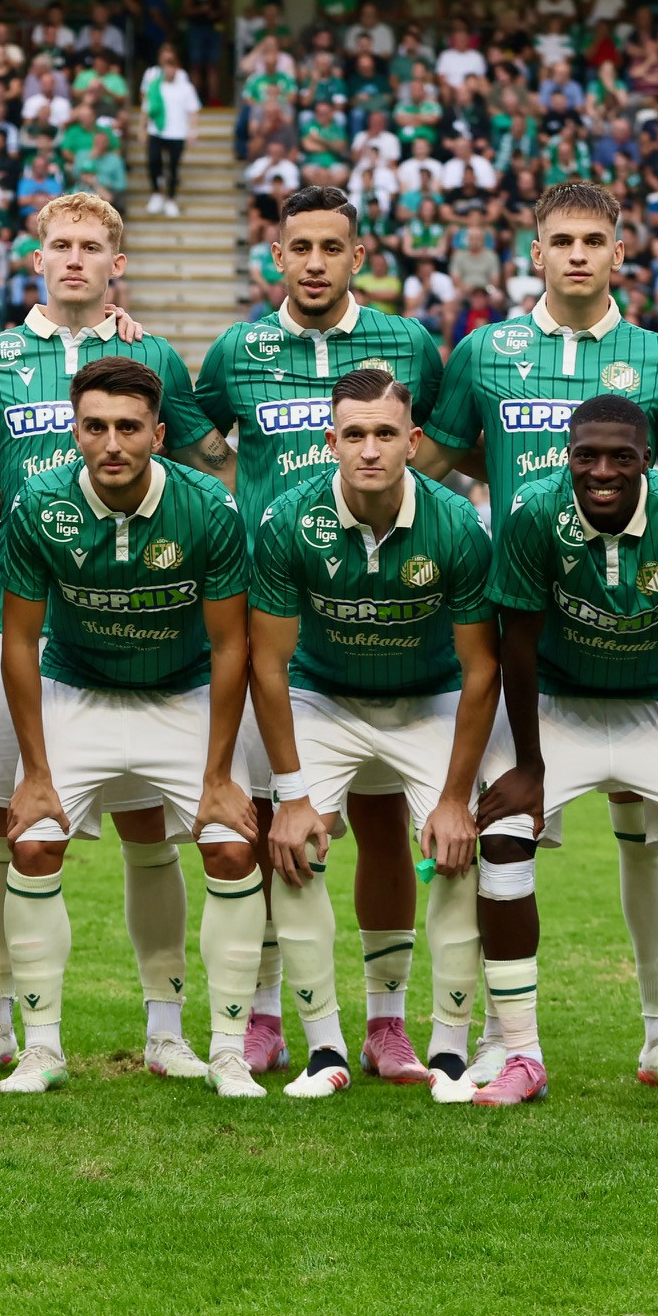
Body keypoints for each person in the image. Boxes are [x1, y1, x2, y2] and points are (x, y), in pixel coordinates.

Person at [0, 191, 233, 1076]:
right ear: (38, 260)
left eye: (92, 247)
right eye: (61, 245)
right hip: (14, 622)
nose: (75, 260)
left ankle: (166, 1028)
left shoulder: (151, 354)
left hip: (136, 622)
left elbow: (212, 464)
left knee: (147, 829)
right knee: (1, 825)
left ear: (116, 264)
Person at [415, 180, 658, 1089]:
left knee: (650, 842)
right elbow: (436, 457)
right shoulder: (486, 351)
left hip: (639, 650)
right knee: (503, 839)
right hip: (531, 650)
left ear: (619, 253)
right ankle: (503, 1038)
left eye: (593, 240)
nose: (577, 254)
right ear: (535, 253)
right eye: (561, 240)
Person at [196, 184, 446, 1077]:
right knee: (272, 819)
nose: (313, 263)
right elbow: (195, 436)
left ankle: (387, 1023)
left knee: (381, 825)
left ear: (357, 256)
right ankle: (266, 1013)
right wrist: (249, 492)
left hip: (376, 617)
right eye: (298, 247)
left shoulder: (407, 343)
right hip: (278, 614)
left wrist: (397, 500)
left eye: (330, 248)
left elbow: (440, 437)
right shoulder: (238, 349)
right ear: (276, 256)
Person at [472, 396, 658, 1113]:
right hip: (556, 701)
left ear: (647, 462)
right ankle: (521, 1054)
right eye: (586, 456)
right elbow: (516, 643)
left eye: (621, 457)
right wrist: (528, 766)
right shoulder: (533, 511)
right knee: (501, 837)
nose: (602, 471)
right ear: (567, 458)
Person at [0, 356, 257, 1095]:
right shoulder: (39, 504)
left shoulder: (207, 508)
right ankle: (42, 1048)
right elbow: (19, 640)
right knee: (34, 844)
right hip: (78, 692)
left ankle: (211, 1046)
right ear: (74, 432)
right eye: (96, 427)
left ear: (158, 435)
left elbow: (231, 644)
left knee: (232, 849)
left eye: (129, 428)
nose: (112, 443)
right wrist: (35, 773)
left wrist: (217, 775)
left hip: (181, 694)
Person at [247, 367, 497, 1103]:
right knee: (296, 846)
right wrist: (292, 796)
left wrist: (455, 799)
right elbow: (268, 663)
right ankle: (323, 1047)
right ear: (331, 442)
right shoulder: (288, 520)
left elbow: (482, 668)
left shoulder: (458, 525)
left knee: (457, 851)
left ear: (413, 442)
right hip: (323, 698)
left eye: (385, 434)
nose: (369, 449)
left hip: (429, 700)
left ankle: (447, 1051)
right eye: (354, 434)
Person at [139, 46, 199, 218]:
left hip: (177, 133)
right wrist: (142, 128)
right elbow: (146, 108)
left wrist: (193, 131)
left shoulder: (186, 87)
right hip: (157, 131)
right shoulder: (155, 86)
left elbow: (193, 110)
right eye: (166, 67)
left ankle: (171, 199)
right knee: (153, 161)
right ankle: (157, 194)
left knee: (173, 167)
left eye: (172, 67)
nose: (169, 70)